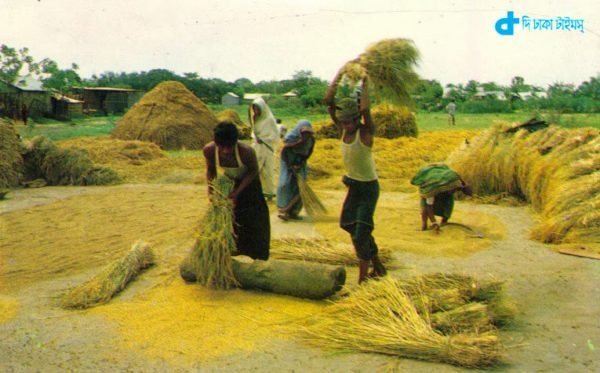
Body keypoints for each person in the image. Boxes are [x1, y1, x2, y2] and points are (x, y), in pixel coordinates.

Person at [324, 79, 387, 284]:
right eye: (342, 122)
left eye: (349, 122)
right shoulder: (343, 130)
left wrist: (366, 82)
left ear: (357, 119)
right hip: (353, 187)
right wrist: (339, 75)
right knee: (348, 224)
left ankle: (363, 281)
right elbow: (328, 101)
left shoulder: (365, 133)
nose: (345, 126)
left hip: (368, 189)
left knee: (360, 234)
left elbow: (366, 109)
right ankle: (377, 264)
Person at [203, 121, 270, 260]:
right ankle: (236, 251)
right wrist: (212, 191)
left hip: (249, 185)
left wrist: (237, 193)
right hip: (231, 183)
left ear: (236, 142)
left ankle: (258, 256)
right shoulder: (209, 150)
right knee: (233, 219)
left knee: (255, 220)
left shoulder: (246, 152)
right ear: (216, 143)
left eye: (230, 147)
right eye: (222, 147)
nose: (226, 151)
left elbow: (253, 172)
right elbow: (211, 171)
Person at [410, 164, 472, 232]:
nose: (454, 192)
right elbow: (429, 207)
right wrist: (434, 222)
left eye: (455, 190)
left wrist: (464, 186)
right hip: (430, 186)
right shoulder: (431, 190)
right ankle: (424, 226)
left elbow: (469, 192)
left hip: (445, 189)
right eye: (453, 190)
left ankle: (443, 224)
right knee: (424, 209)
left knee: (449, 204)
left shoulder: (454, 182)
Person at [276, 120, 316, 221]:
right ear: (299, 132)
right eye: (304, 133)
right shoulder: (291, 139)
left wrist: (300, 164)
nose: (306, 136)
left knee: (300, 188)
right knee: (285, 184)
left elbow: (309, 152)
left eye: (308, 134)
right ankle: (283, 208)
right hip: (288, 161)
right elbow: (284, 153)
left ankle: (292, 211)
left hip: (300, 162)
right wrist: (290, 167)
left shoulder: (311, 140)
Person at [249, 97, 279, 201]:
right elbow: (253, 132)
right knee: (255, 169)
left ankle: (269, 193)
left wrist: (264, 139)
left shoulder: (269, 120)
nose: (256, 111)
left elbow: (275, 135)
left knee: (267, 170)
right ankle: (255, 192)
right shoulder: (255, 119)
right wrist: (256, 138)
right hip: (257, 147)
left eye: (257, 109)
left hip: (266, 147)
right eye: (254, 109)